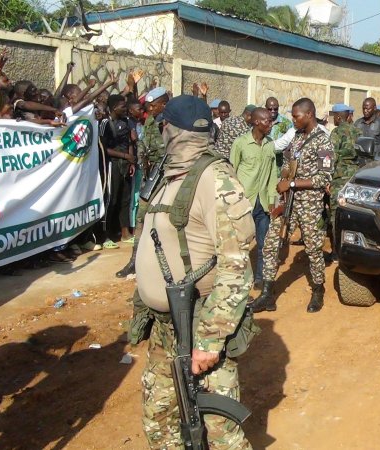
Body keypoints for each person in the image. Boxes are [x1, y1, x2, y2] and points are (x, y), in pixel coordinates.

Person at [133, 95, 255, 449]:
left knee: (221, 435)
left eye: (162, 127)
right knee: (161, 423)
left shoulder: (215, 178)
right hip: (163, 327)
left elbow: (236, 267)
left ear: (171, 130)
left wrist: (210, 341)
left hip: (199, 326)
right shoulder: (166, 174)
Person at [251, 98, 335, 313]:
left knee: (313, 248)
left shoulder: (323, 141)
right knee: (271, 243)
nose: (293, 120)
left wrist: (294, 183)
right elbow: (289, 162)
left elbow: (325, 178)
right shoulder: (296, 137)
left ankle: (318, 290)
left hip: (310, 204)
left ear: (309, 115)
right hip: (288, 201)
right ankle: (268, 294)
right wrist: (285, 179)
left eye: (296, 116)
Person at [116, 87, 169, 278]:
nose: (150, 109)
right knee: (141, 216)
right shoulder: (150, 120)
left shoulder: (169, 122)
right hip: (151, 176)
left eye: (153, 106)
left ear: (163, 104)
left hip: (169, 177)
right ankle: (134, 260)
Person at [229, 107, 279, 288]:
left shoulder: (270, 144)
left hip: (263, 203)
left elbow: (274, 173)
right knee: (239, 244)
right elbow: (231, 172)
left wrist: (273, 200)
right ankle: (237, 278)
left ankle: (259, 278)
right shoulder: (240, 143)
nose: (271, 123)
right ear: (257, 122)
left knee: (263, 243)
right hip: (244, 202)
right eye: (267, 121)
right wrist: (233, 200)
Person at [100, 94, 136, 249]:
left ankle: (125, 233)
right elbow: (103, 149)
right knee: (111, 200)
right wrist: (124, 156)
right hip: (111, 165)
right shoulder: (105, 124)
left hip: (125, 165)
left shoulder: (126, 121)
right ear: (114, 108)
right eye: (122, 106)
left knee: (125, 199)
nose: (125, 108)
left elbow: (128, 141)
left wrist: (130, 161)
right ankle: (105, 235)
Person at [328, 103, 361, 261]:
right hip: (355, 180)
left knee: (336, 216)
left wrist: (326, 181)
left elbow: (329, 158)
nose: (333, 119)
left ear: (338, 116)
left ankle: (336, 253)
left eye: (334, 116)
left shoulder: (336, 132)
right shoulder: (358, 131)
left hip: (338, 180)